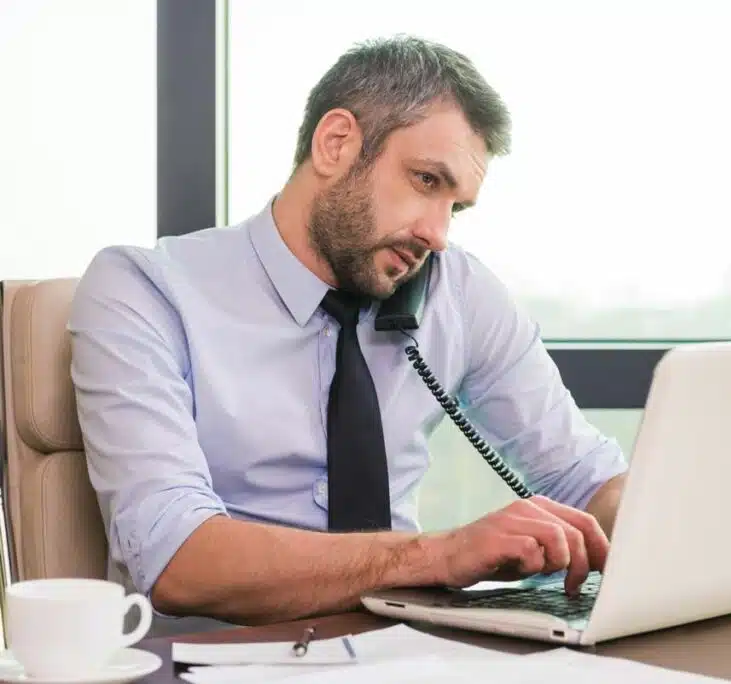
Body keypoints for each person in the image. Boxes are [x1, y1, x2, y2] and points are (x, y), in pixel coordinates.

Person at [68, 35, 628, 628]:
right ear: (336, 144)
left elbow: (583, 476)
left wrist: (682, 542)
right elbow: (177, 558)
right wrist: (444, 554)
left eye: (456, 207)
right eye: (426, 181)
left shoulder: (456, 292)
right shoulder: (145, 289)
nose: (438, 233)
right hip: (220, 660)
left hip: (408, 653)